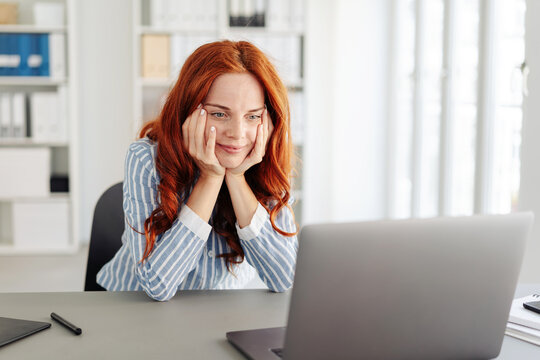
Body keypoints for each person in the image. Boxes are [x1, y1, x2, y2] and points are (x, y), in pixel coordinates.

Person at [97, 40, 299, 301]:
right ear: (188, 112)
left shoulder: (265, 158)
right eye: (219, 114)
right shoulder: (146, 158)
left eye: (252, 116)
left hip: (215, 313)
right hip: (133, 308)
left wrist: (236, 177)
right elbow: (157, 286)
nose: (237, 134)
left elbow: (284, 278)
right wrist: (211, 177)